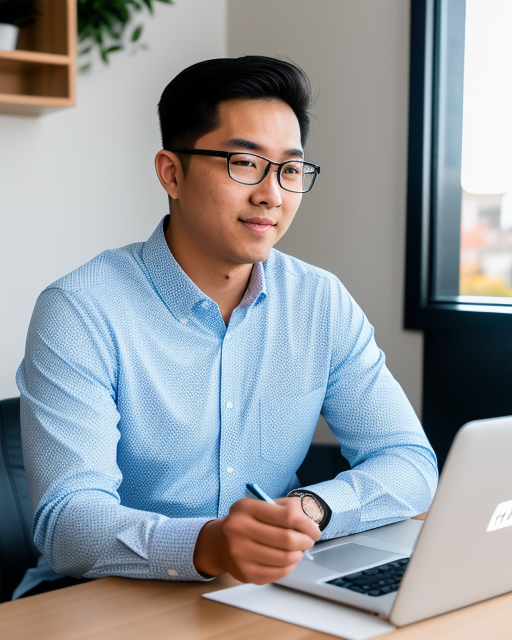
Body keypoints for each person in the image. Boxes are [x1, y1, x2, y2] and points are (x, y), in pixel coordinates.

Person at [14, 56, 438, 598]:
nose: (272, 195)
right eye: (244, 163)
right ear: (171, 172)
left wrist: (310, 509)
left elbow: (409, 462)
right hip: (99, 598)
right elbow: (67, 524)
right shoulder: (80, 310)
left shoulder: (319, 300)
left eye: (289, 170)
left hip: (262, 589)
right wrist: (209, 544)